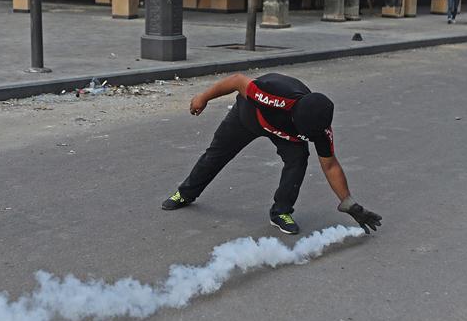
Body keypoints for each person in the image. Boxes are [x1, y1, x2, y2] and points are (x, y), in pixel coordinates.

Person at [161, 72, 382, 235]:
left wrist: (350, 203)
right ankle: (185, 193)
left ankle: (281, 212)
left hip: (283, 136)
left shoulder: (320, 130)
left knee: (298, 160)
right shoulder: (274, 96)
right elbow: (237, 81)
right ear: (295, 116)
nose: (308, 136)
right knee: (216, 155)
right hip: (248, 118)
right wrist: (204, 97)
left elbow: (330, 165)